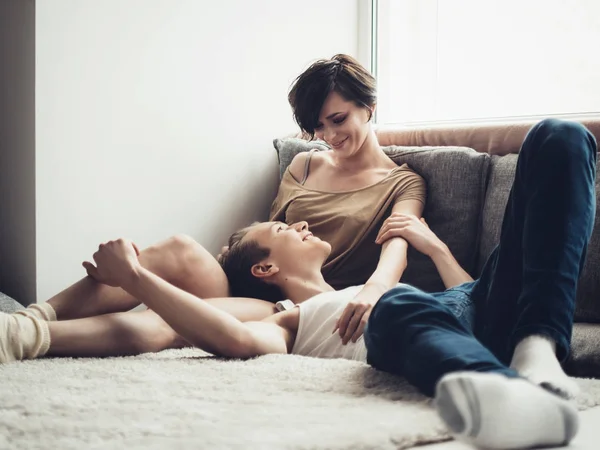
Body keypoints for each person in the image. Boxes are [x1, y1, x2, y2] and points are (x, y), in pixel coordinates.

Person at [1, 118, 596, 449]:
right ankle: (516, 397)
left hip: (472, 302)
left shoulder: (383, 240)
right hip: (413, 321)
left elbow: (472, 290)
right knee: (400, 307)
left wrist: (433, 247)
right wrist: (133, 278)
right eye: (281, 225)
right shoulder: (286, 314)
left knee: (560, 136)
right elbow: (209, 335)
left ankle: (537, 354)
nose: (299, 220)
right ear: (265, 269)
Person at [12, 54, 425, 347]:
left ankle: (28, 339)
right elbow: (268, 237)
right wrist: (238, 251)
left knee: (165, 321)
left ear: (369, 108)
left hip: (309, 302)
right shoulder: (304, 165)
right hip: (260, 282)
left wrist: (374, 290)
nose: (330, 136)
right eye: (318, 126)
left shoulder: (402, 184)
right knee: (180, 249)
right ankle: (29, 320)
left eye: (338, 120)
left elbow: (398, 250)